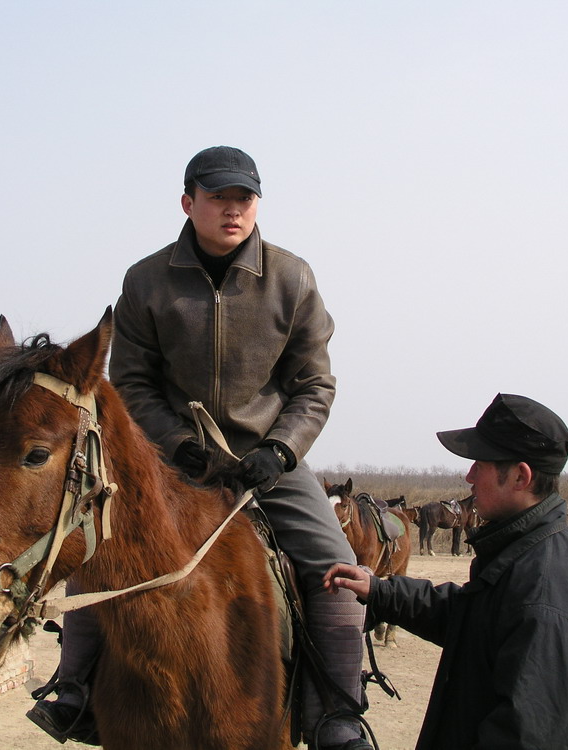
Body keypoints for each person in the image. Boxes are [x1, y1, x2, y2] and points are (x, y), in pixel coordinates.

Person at [28, 146, 370, 750]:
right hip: (167, 462)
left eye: (244, 198)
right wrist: (175, 443)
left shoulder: (292, 278)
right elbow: (130, 380)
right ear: (189, 203)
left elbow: (315, 383)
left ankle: (338, 712)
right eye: (218, 197)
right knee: (95, 558)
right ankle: (74, 689)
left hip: (268, 464)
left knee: (338, 567)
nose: (233, 209)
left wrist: (282, 451)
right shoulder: (147, 279)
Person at [324, 393, 568, 750]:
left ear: (520, 476)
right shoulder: (525, 556)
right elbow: (472, 617)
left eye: (481, 464)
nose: (468, 475)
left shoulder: (549, 594)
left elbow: (527, 738)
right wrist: (380, 590)